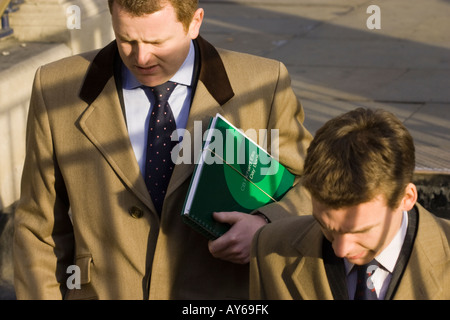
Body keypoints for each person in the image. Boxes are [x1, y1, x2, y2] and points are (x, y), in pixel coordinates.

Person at [13, 0, 313, 299]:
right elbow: (38, 228)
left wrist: (265, 224)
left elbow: (315, 186)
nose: (141, 58)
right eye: (126, 40)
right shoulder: (55, 88)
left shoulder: (264, 82)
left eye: (157, 42)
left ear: (195, 23)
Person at [250, 108, 450, 300]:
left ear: (406, 198)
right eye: (325, 226)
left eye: (360, 231)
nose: (341, 249)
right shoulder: (270, 249)